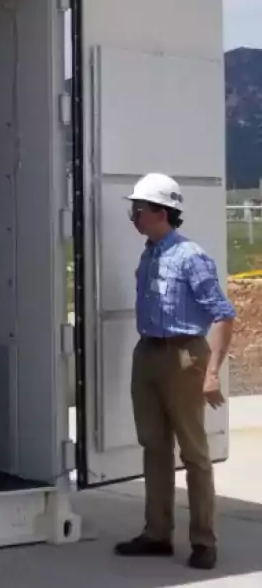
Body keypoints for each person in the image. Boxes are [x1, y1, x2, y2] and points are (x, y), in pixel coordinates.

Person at [115, 173, 235, 571]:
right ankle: (157, 533)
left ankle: (204, 541)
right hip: (148, 352)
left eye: (139, 209)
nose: (134, 216)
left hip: (184, 355)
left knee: (194, 453)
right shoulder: (149, 254)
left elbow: (222, 315)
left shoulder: (190, 256)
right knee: (154, 446)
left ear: (160, 212)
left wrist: (212, 371)